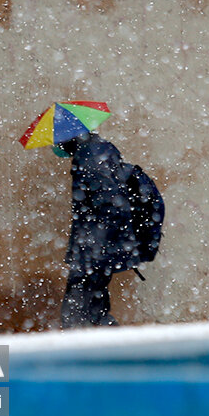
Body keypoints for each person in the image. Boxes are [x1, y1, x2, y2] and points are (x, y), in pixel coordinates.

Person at [54, 131, 144, 328]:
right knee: (92, 305)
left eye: (57, 141)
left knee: (78, 307)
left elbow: (108, 202)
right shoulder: (93, 151)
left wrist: (95, 244)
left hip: (94, 245)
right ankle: (107, 343)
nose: (56, 147)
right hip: (95, 244)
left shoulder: (90, 156)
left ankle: (80, 350)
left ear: (68, 136)